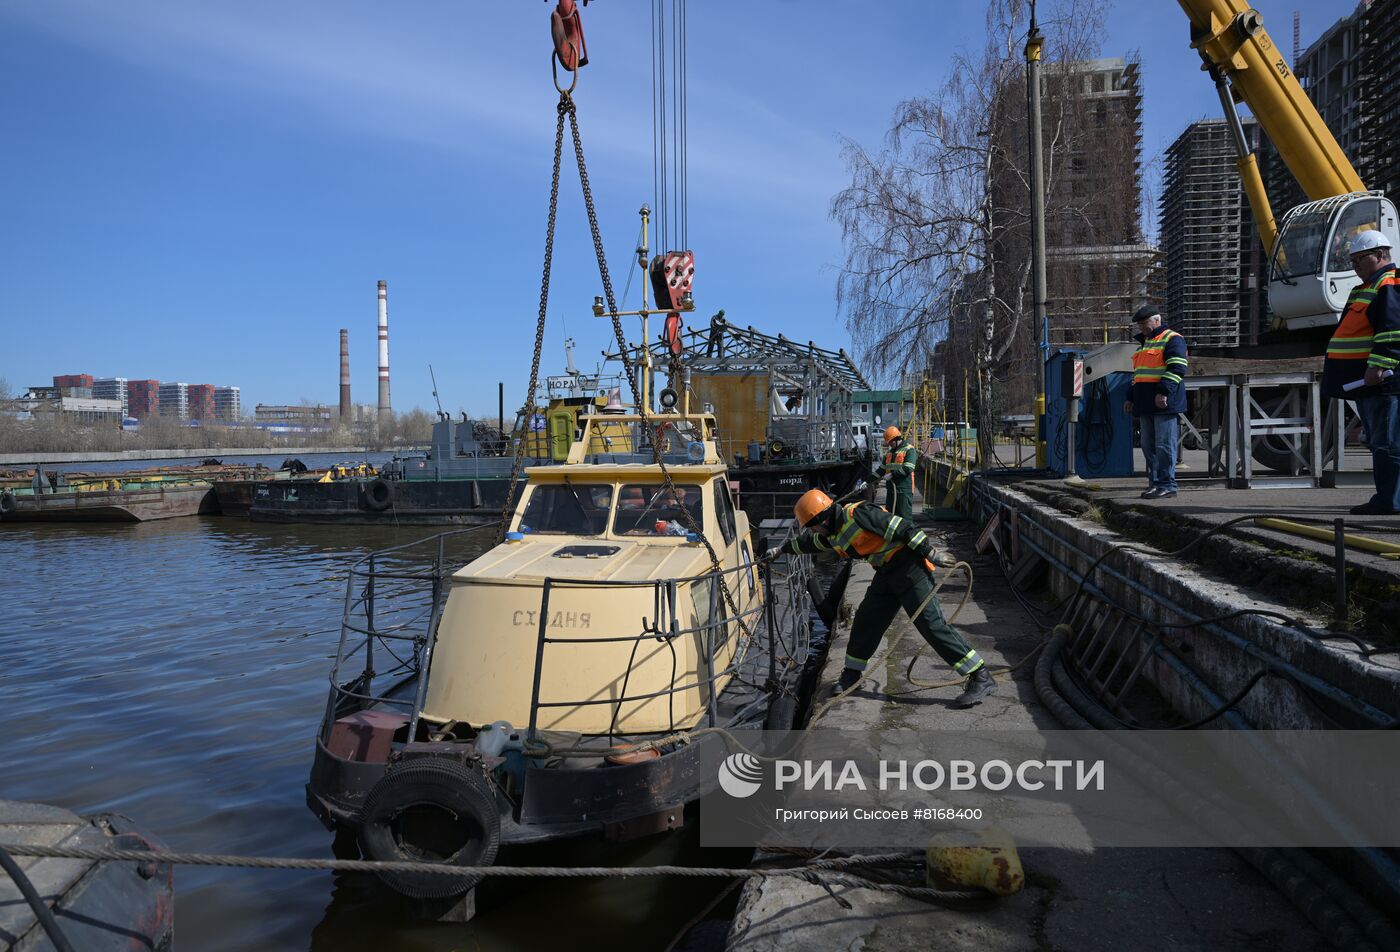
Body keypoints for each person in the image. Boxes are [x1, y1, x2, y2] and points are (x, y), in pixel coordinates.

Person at [763, 489, 994, 708]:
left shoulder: (859, 515)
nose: (812, 532)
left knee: (930, 625)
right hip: (886, 573)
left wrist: (930, 552)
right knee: (867, 620)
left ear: (821, 520)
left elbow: (903, 527)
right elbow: (809, 543)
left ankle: (980, 675)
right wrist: (781, 550)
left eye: (812, 527)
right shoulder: (832, 534)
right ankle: (852, 675)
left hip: (909, 568)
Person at [1322, 229, 1400, 515]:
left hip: (1383, 383)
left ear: (1379, 255)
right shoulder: (1367, 287)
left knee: (1387, 443)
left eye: (1359, 259)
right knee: (1380, 441)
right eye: (1352, 260)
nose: (1354, 266)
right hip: (1367, 384)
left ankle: (1390, 501)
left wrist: (1378, 366)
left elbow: (1392, 331)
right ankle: (1388, 498)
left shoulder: (1389, 283)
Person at [1123, 304, 1188, 499]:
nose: (1142, 327)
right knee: (1148, 445)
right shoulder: (1145, 343)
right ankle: (1155, 483)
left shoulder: (1172, 339)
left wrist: (1163, 392)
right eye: (1140, 324)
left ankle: (1167, 484)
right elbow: (1139, 374)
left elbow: (1177, 368)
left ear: (1157, 320)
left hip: (1163, 403)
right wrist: (1130, 397)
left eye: (1145, 323)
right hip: (1145, 402)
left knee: (1164, 445)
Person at [878, 426, 918, 519]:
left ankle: (908, 534)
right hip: (891, 490)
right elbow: (880, 470)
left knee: (904, 519)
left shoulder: (909, 450)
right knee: (891, 518)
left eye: (890, 442)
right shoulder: (889, 453)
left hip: (904, 490)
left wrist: (892, 475)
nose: (889, 445)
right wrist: (867, 482)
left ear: (895, 439)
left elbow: (908, 468)